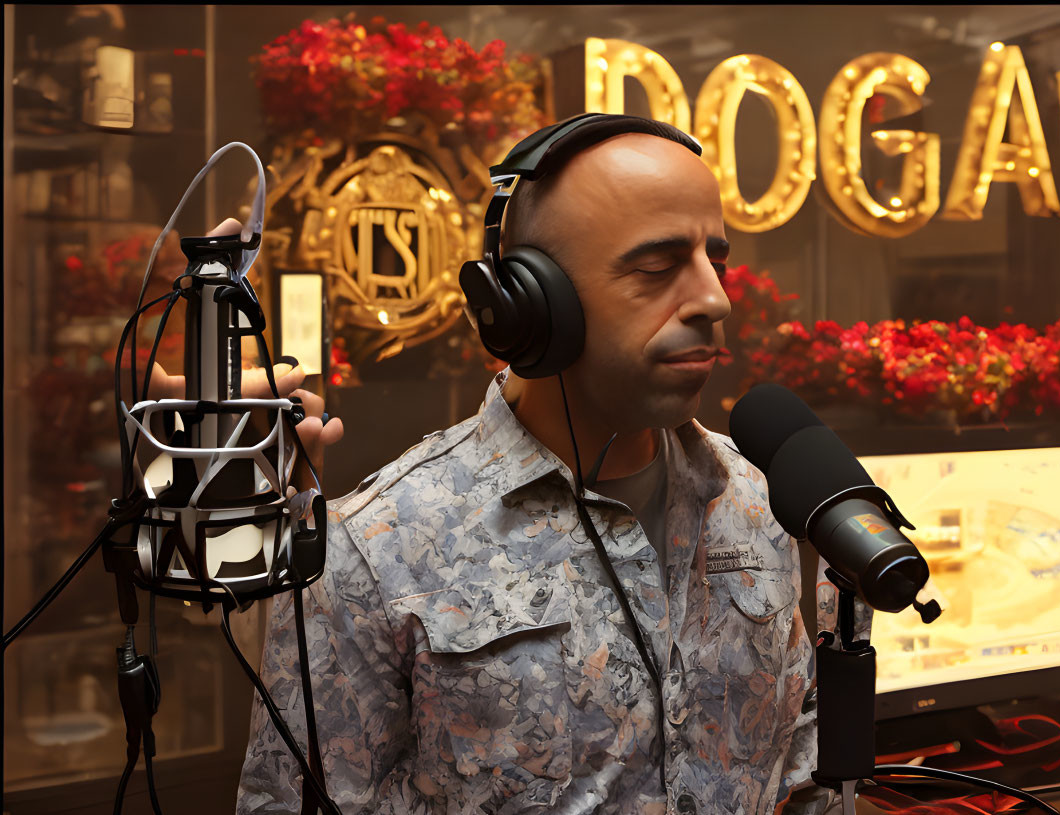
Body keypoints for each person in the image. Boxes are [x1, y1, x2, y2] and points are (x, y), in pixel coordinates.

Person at [235, 115, 837, 814]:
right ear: (530, 305)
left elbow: (802, 774)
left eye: (717, 260)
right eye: (656, 266)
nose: (715, 299)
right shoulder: (375, 549)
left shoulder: (765, 505)